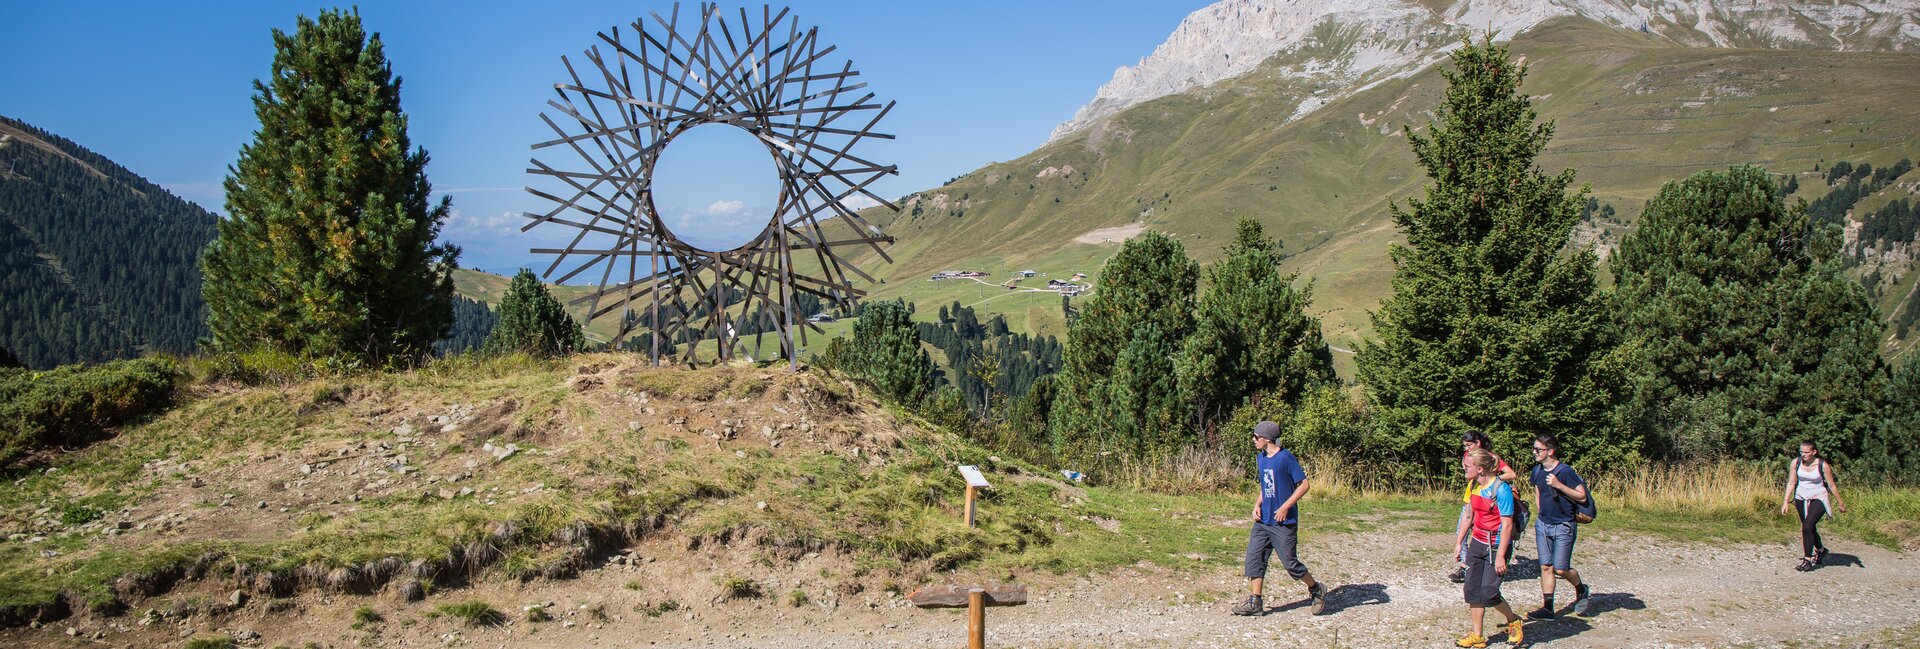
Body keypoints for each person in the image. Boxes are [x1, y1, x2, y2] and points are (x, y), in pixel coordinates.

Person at [1232, 421, 1329, 616]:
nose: (1253, 440)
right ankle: (1255, 602)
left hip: (1283, 522)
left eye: (1256, 437)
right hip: (1263, 520)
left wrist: (1285, 507)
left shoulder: (1285, 458)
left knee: (1290, 563)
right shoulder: (1261, 458)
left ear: (1267, 438)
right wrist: (1257, 504)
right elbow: (1266, 485)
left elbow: (1304, 485)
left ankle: (1316, 589)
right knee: (1254, 558)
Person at [1456, 449, 1525, 648]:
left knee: (1489, 592)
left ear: (1480, 468)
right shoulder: (1473, 486)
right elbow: (1468, 516)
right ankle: (1478, 635)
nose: (1464, 470)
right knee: (1472, 589)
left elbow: (1508, 525)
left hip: (1495, 546)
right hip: (1477, 543)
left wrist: (1501, 556)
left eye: (1467, 467)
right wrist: (1459, 543)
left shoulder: (1501, 490)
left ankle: (1513, 620)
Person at [1528, 433, 1590, 619]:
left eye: (1538, 449)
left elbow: (1582, 496)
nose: (1534, 452)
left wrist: (1559, 485)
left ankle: (1581, 588)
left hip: (1564, 525)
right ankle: (1548, 608)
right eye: (1534, 448)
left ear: (1551, 451)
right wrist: (1540, 512)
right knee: (1546, 566)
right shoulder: (1537, 471)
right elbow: (1538, 491)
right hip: (1543, 524)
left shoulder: (1565, 472)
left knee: (1561, 568)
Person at [1451, 430, 1518, 583]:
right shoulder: (1470, 464)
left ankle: (1476, 567)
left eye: (1469, 445)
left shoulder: (1489, 458)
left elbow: (1511, 474)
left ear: (1478, 443)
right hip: (1473, 499)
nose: (1466, 449)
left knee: (1489, 593)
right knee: (1463, 528)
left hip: (1489, 503)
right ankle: (1465, 565)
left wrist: (1493, 482)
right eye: (1465, 446)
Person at [1780, 439, 1847, 571]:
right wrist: (1786, 501)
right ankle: (1821, 550)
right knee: (1808, 527)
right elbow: (1791, 482)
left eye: (1806, 452)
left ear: (1814, 452)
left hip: (1818, 497)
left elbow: (1832, 485)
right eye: (1801, 451)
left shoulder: (1822, 465)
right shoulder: (1796, 463)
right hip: (1801, 497)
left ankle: (1807, 561)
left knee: (1807, 526)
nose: (1803, 455)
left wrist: (1841, 502)